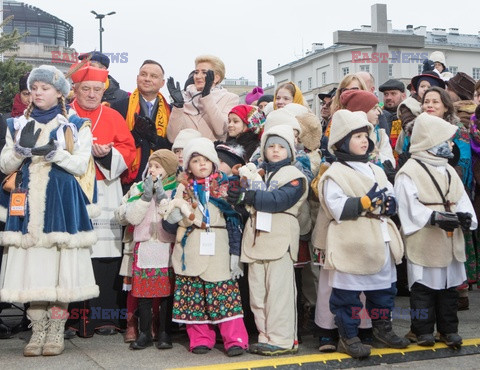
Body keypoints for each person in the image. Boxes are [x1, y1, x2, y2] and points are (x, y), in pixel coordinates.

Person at [0, 65, 99, 356]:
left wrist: (57, 154)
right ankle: (37, 330)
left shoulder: (77, 124)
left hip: (62, 200)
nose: (38, 92)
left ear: (59, 92)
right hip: (27, 201)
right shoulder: (16, 125)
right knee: (33, 265)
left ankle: (56, 331)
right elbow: (5, 164)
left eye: (44, 88)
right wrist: (20, 151)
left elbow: (81, 165)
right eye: (34, 88)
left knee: (60, 267)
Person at [314, 109, 409, 359]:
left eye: (365, 135)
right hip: (351, 241)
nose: (364, 140)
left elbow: (391, 196)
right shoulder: (334, 173)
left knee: (383, 293)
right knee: (347, 296)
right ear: (343, 141)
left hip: (380, 238)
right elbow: (336, 208)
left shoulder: (376, 170)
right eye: (356, 136)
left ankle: (382, 330)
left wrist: (390, 204)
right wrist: (367, 201)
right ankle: (349, 336)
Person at [395, 112, 476, 348]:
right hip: (424, 238)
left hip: (450, 239)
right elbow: (407, 206)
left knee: (449, 287)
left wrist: (465, 218)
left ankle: (449, 330)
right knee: (423, 288)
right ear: (431, 142)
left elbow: (461, 199)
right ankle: (421, 330)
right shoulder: (409, 171)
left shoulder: (449, 169)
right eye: (446, 140)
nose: (451, 145)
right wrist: (434, 217)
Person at [67, 62, 136, 337]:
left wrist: (107, 155)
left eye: (97, 89)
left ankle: (104, 317)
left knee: (104, 256)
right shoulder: (64, 115)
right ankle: (72, 319)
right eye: (87, 89)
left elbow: (128, 149)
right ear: (75, 89)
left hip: (105, 189)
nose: (93, 94)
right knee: (72, 253)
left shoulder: (112, 116)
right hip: (71, 191)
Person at [228, 124, 308, 356]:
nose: (275, 150)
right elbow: (243, 199)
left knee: (279, 294)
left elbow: (279, 200)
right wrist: (239, 193)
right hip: (256, 239)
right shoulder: (257, 173)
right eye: (270, 146)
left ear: (290, 151)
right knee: (258, 295)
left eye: (281, 147)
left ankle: (283, 339)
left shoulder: (295, 175)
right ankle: (266, 335)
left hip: (280, 238)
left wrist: (248, 195)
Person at [168, 137, 248, 357]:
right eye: (196, 161)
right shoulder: (183, 189)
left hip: (218, 244)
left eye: (206, 160)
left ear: (213, 162)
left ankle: (235, 339)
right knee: (193, 293)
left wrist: (235, 252)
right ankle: (200, 337)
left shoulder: (226, 187)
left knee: (224, 292)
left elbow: (235, 219)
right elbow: (172, 218)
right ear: (188, 166)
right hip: (191, 245)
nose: (202, 164)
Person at [115, 150, 178, 350]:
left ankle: (164, 333)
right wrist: (145, 197)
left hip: (165, 245)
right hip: (144, 246)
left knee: (166, 293)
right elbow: (131, 218)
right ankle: (144, 333)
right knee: (143, 293)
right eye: (151, 166)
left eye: (157, 167)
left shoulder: (176, 189)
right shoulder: (139, 188)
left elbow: (175, 218)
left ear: (167, 170)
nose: (152, 170)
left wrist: (161, 198)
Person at [111, 60, 171, 188]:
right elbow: (114, 145)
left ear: (162, 83)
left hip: (161, 182)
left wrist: (155, 139)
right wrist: (135, 136)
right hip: (127, 180)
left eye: (154, 76)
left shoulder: (170, 111)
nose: (147, 79)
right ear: (137, 78)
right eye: (143, 74)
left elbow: (173, 148)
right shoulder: (119, 107)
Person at [166, 55, 239, 142]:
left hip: (213, 154)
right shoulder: (185, 98)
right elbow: (172, 138)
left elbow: (221, 130)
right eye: (196, 72)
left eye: (204, 72)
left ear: (216, 78)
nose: (198, 76)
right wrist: (178, 106)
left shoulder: (230, 98)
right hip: (185, 154)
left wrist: (206, 96)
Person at [378, 79, 406, 147]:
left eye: (393, 93)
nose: (388, 97)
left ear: (403, 96)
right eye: (386, 94)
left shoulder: (408, 117)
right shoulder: (377, 116)